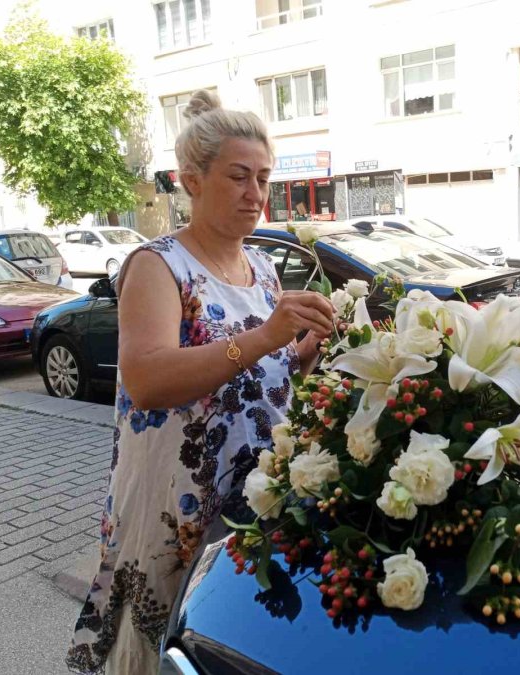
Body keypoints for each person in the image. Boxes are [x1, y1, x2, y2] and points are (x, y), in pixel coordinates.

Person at [66, 90, 333, 675]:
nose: (256, 194)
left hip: (253, 496)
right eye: (239, 177)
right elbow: (146, 380)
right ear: (192, 180)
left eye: (263, 178)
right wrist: (266, 338)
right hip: (175, 504)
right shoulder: (158, 266)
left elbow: (261, 382)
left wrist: (304, 355)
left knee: (219, 644)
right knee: (159, 644)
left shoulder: (261, 267)